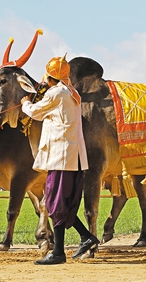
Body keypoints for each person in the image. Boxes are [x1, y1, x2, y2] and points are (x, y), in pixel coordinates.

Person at [21, 55, 99, 265]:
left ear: (49, 78)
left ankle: (58, 252)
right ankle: (85, 237)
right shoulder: (72, 93)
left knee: (55, 202)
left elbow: (36, 113)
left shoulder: (57, 93)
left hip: (60, 156)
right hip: (71, 157)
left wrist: (25, 104)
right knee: (65, 203)